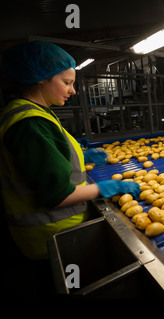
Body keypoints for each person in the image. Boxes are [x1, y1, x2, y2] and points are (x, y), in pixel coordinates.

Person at [0, 40, 140, 262]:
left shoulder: (32, 112)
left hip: (59, 232)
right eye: (67, 82)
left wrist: (78, 155)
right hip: (53, 236)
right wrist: (104, 188)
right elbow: (56, 196)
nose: (73, 90)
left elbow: (41, 159)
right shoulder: (30, 123)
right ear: (41, 78)